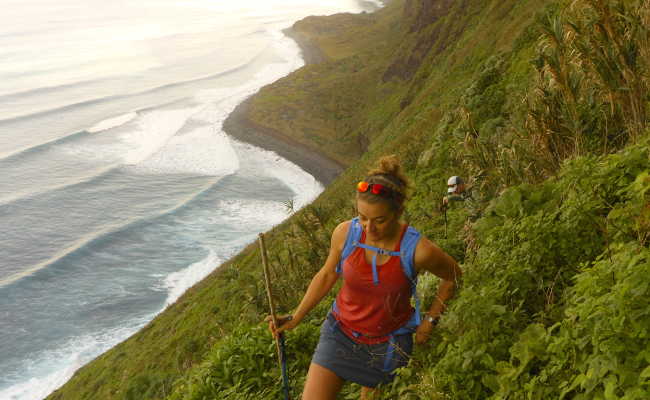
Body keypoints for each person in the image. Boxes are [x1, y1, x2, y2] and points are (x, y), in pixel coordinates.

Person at [268, 155, 461, 400]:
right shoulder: (346, 233)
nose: (369, 229)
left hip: (388, 345)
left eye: (380, 220)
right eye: (362, 217)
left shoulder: (417, 249)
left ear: (398, 211)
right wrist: (295, 317)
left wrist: (430, 321)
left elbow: (453, 276)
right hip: (339, 333)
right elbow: (327, 275)